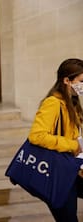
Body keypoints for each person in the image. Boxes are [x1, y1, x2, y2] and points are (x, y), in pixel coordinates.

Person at [28, 58, 83, 221]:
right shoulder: (53, 103)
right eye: (81, 81)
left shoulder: (72, 102)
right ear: (67, 80)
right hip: (58, 172)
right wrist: (73, 145)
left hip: (72, 168)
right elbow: (36, 135)